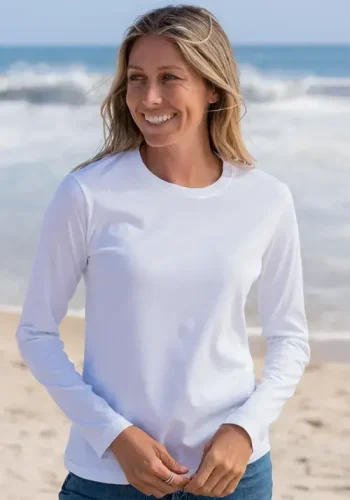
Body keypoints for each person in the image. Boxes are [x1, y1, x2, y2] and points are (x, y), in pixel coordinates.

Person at [15, 5, 310, 500]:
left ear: (212, 86)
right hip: (110, 477)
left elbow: (290, 338)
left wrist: (244, 430)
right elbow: (36, 333)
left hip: (233, 477)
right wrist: (114, 436)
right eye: (136, 79)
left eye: (169, 78)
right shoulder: (87, 193)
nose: (149, 98)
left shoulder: (267, 199)